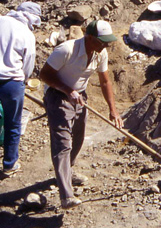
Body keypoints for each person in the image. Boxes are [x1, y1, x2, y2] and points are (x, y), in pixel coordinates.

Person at [40, 20, 123, 209]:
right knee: (63, 143)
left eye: (107, 42)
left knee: (78, 136)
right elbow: (44, 74)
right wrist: (67, 90)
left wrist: (113, 109)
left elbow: (105, 82)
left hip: (79, 96)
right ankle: (66, 195)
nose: (105, 46)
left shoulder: (100, 53)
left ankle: (67, 172)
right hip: (57, 95)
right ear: (89, 37)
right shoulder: (66, 50)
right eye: (102, 42)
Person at [0, 2, 42, 177]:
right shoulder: (27, 34)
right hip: (12, 82)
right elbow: (28, 62)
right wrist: (23, 80)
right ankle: (10, 164)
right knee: (13, 123)